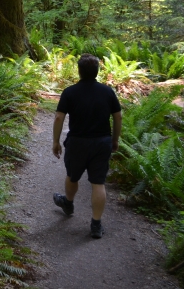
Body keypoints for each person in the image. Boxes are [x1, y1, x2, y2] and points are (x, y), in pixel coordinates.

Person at [51, 53, 122, 239]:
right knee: (98, 183)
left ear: (79, 71)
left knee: (72, 176)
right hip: (102, 142)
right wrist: (115, 139)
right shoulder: (107, 92)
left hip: (77, 142)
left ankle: (68, 203)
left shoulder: (70, 92)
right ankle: (96, 225)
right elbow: (118, 116)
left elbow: (59, 117)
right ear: (97, 71)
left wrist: (56, 141)